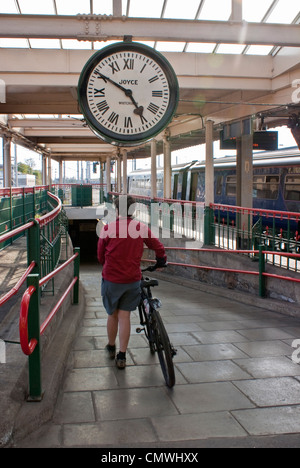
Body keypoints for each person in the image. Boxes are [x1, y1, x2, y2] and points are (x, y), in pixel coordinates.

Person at [97, 195, 167, 369]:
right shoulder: (140, 228)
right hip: (132, 280)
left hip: (111, 279)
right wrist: (161, 261)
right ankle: (122, 356)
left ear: (117, 210)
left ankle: (111, 346)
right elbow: (158, 247)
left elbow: (100, 256)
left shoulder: (107, 229)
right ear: (133, 210)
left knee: (112, 314)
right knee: (124, 316)